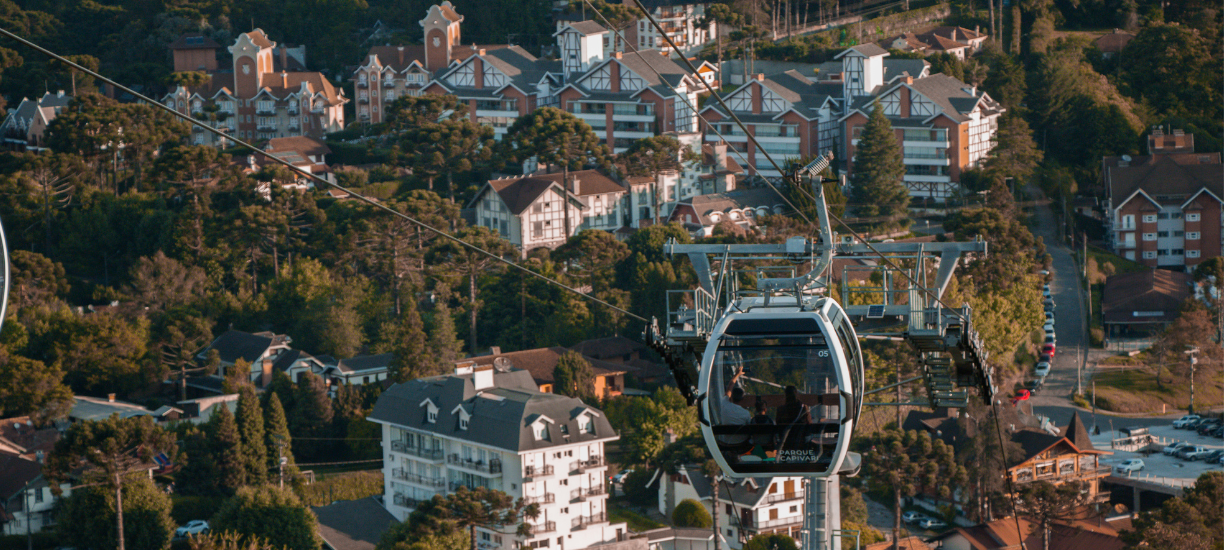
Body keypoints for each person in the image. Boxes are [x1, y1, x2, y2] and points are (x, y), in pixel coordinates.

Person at [716, 366, 752, 446]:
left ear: (731, 397)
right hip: (741, 443)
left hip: (726, 442)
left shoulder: (725, 404)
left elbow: (729, 388)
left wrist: (737, 374)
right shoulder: (746, 413)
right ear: (742, 399)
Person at [776, 385, 811, 450]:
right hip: (800, 440)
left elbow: (778, 424)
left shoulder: (781, 409)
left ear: (786, 395)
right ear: (796, 394)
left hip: (786, 441)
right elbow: (809, 423)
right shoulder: (803, 408)